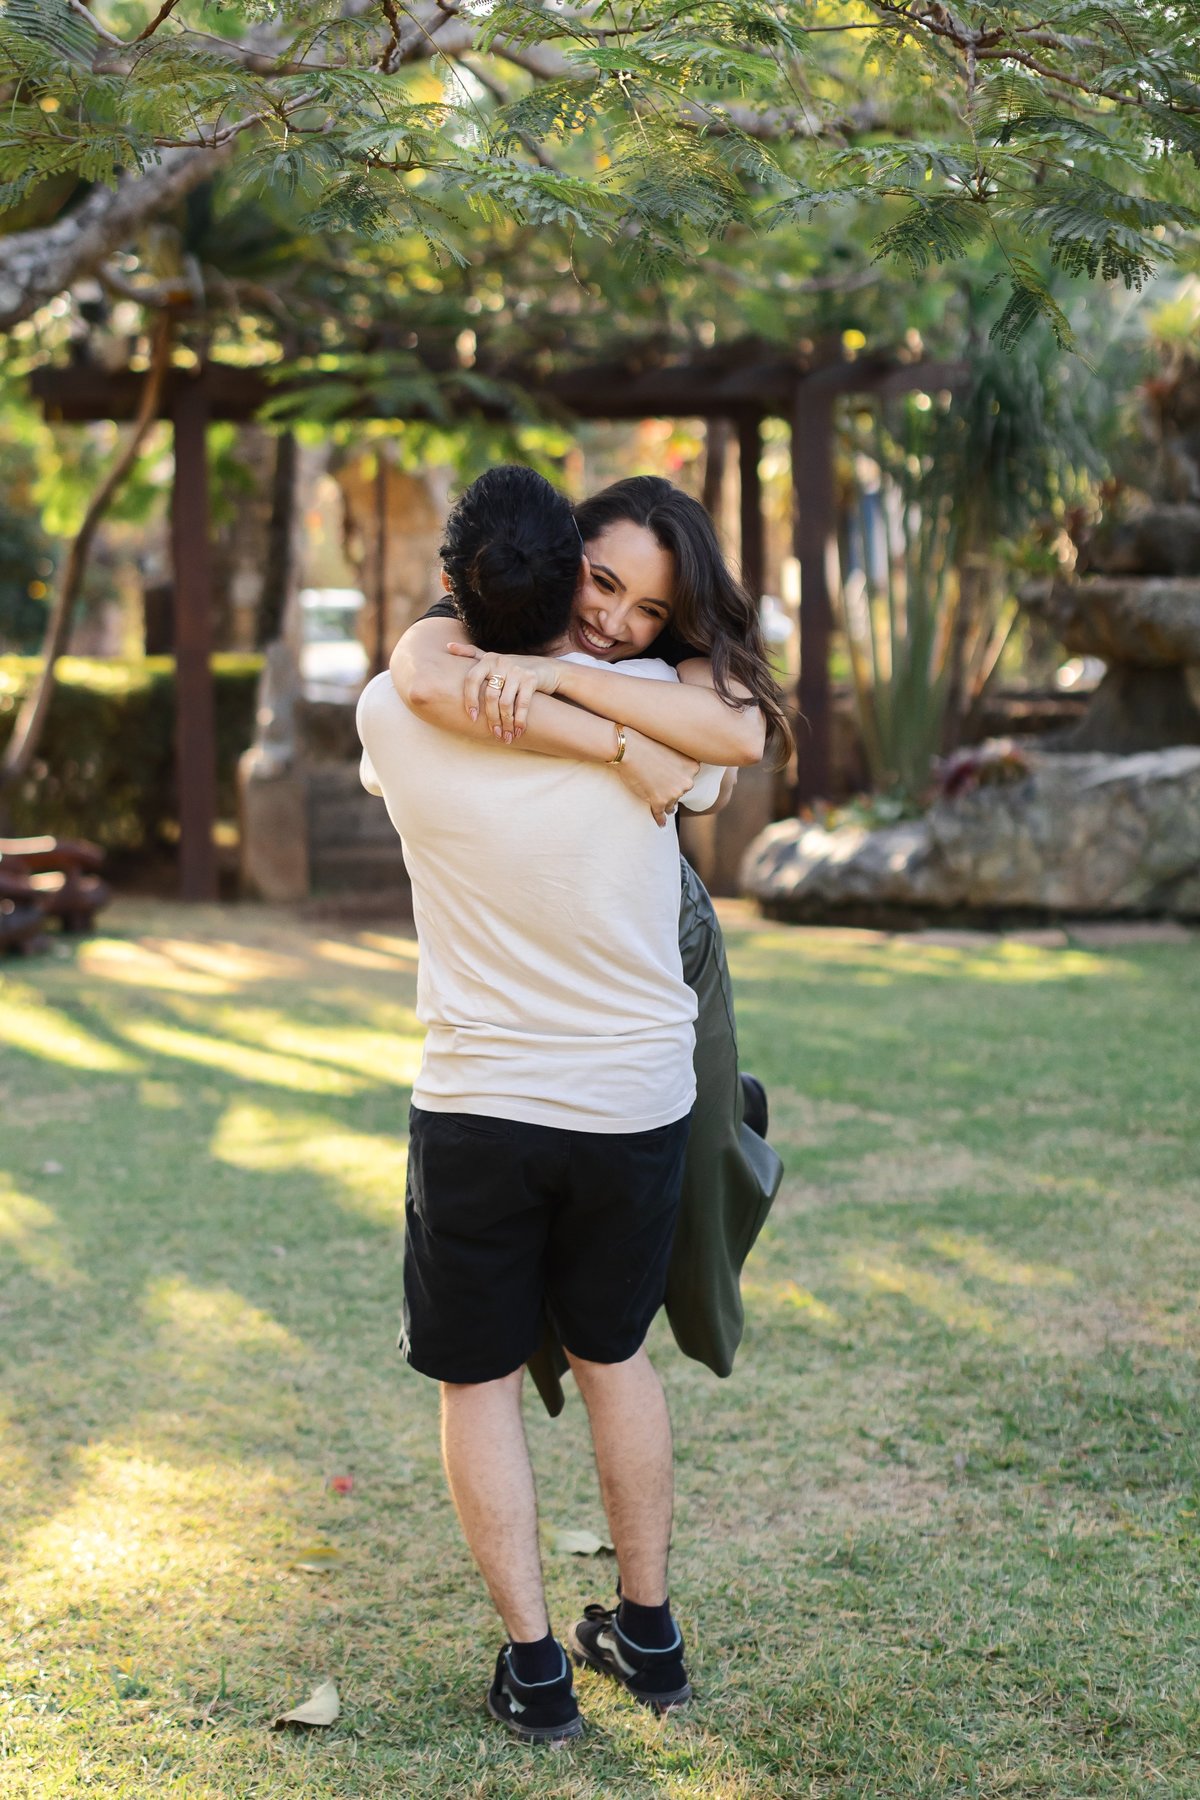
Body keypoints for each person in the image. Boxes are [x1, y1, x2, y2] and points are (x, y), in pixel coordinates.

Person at [358, 465, 718, 1745]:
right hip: (634, 1099)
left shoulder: (394, 710)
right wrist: (613, 718)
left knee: (478, 1383)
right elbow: (714, 768)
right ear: (569, 568)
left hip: (480, 1101)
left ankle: (536, 1671)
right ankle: (650, 1638)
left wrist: (457, 648)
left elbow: (424, 673)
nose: (616, 615)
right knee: (617, 1359)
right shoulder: (662, 707)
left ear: (454, 581)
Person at [390, 476, 790, 1407]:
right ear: (563, 552)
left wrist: (562, 676)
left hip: (663, 935)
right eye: (602, 583)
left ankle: (733, 1121)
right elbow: (423, 678)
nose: (614, 622)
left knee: (700, 1173)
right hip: (531, 972)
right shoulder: (477, 622)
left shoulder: (664, 665)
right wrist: (623, 747)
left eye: (650, 609)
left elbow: (737, 736)